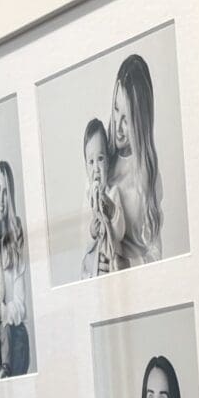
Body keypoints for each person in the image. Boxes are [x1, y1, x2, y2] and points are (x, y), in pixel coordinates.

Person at [103, 56, 167, 268]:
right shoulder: (102, 160)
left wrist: (128, 264)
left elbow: (156, 255)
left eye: (127, 118)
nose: (118, 128)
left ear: (140, 120)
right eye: (115, 109)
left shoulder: (148, 176)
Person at [0, 158, 35, 376]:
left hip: (15, 336)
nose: (0, 198)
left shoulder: (16, 236)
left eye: (6, 191)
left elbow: (20, 305)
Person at [80, 117, 120, 278]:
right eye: (91, 161)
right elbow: (83, 238)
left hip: (111, 264)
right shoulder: (87, 199)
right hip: (93, 269)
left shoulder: (113, 193)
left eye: (100, 159)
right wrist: (91, 232)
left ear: (108, 162)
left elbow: (120, 232)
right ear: (85, 166)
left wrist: (112, 212)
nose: (96, 168)